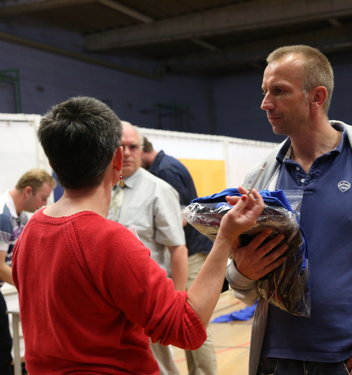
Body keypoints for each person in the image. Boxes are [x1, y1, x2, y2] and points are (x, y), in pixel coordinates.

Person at [12, 96, 268, 374]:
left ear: (51, 161)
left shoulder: (32, 228)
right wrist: (225, 238)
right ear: (118, 159)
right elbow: (187, 327)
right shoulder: (109, 239)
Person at [225, 45, 352, 375]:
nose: (265, 103)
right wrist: (241, 273)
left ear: (316, 97)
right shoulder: (262, 176)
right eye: (265, 91)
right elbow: (244, 286)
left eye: (279, 91)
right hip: (277, 362)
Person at [108, 122, 188, 374]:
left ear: (143, 150)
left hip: (148, 303)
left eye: (133, 147)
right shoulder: (100, 188)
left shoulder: (159, 190)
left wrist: (177, 302)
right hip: (108, 306)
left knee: (158, 367)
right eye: (121, 146)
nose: (127, 152)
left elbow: (178, 249)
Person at [142, 136, 217, 375]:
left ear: (142, 151)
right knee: (188, 321)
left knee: (193, 320)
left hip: (190, 253)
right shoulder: (167, 165)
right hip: (191, 250)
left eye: (132, 149)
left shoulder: (164, 171)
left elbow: (182, 216)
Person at [0, 168, 55, 374]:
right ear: (28, 191)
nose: (44, 204)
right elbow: (0, 268)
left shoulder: (21, 216)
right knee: (3, 349)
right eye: (43, 197)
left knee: (4, 347)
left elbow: (19, 259)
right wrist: (32, 288)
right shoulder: (3, 216)